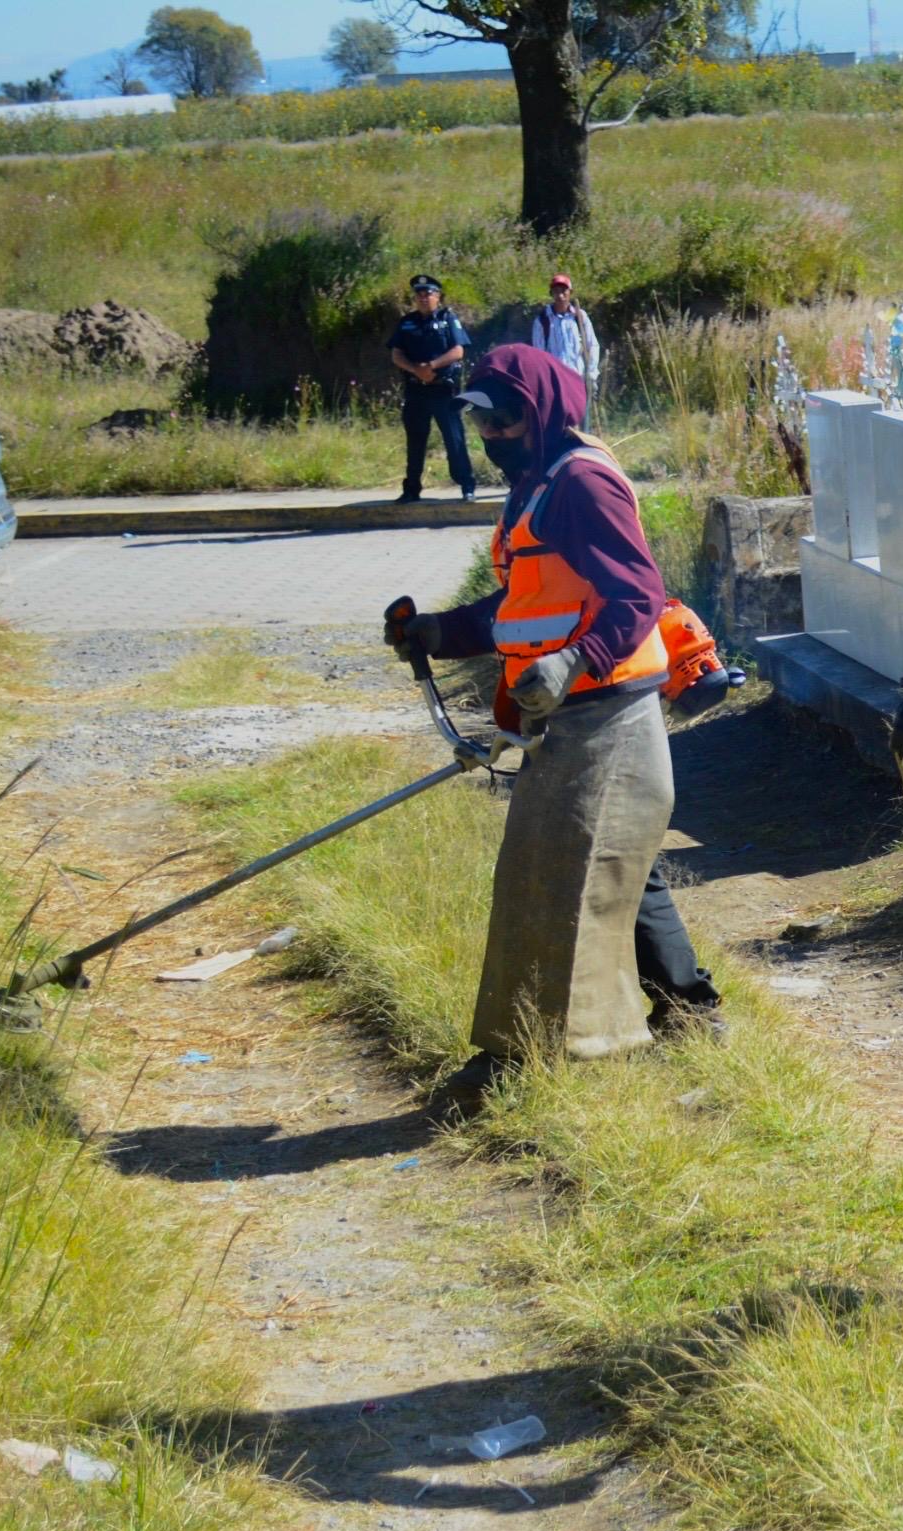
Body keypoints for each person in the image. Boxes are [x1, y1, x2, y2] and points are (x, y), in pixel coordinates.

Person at [382, 345, 673, 1116]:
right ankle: (543, 1050)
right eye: (480, 420)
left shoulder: (581, 483)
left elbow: (640, 595)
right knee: (541, 887)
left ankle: (551, 1066)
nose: (491, 435)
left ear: (542, 411)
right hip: (563, 718)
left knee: (569, 891)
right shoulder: (537, 485)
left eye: (504, 419)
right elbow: (518, 609)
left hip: (610, 715)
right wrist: (438, 632)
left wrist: (578, 659)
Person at [388, 274, 477, 504]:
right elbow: (396, 355)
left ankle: (467, 486)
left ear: (438, 296)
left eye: (428, 293)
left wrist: (431, 366)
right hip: (416, 390)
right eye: (419, 294)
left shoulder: (448, 319)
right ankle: (411, 490)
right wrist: (416, 370)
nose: (423, 297)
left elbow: (458, 351)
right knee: (415, 441)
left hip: (443, 391)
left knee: (454, 440)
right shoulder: (407, 322)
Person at [530, 272, 601, 387]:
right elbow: (539, 355)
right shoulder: (543, 321)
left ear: (570, 293)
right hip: (556, 382)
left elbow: (592, 345)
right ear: (551, 294)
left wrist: (591, 374)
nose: (560, 295)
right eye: (556, 291)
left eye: (563, 291)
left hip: (579, 379)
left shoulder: (579, 317)